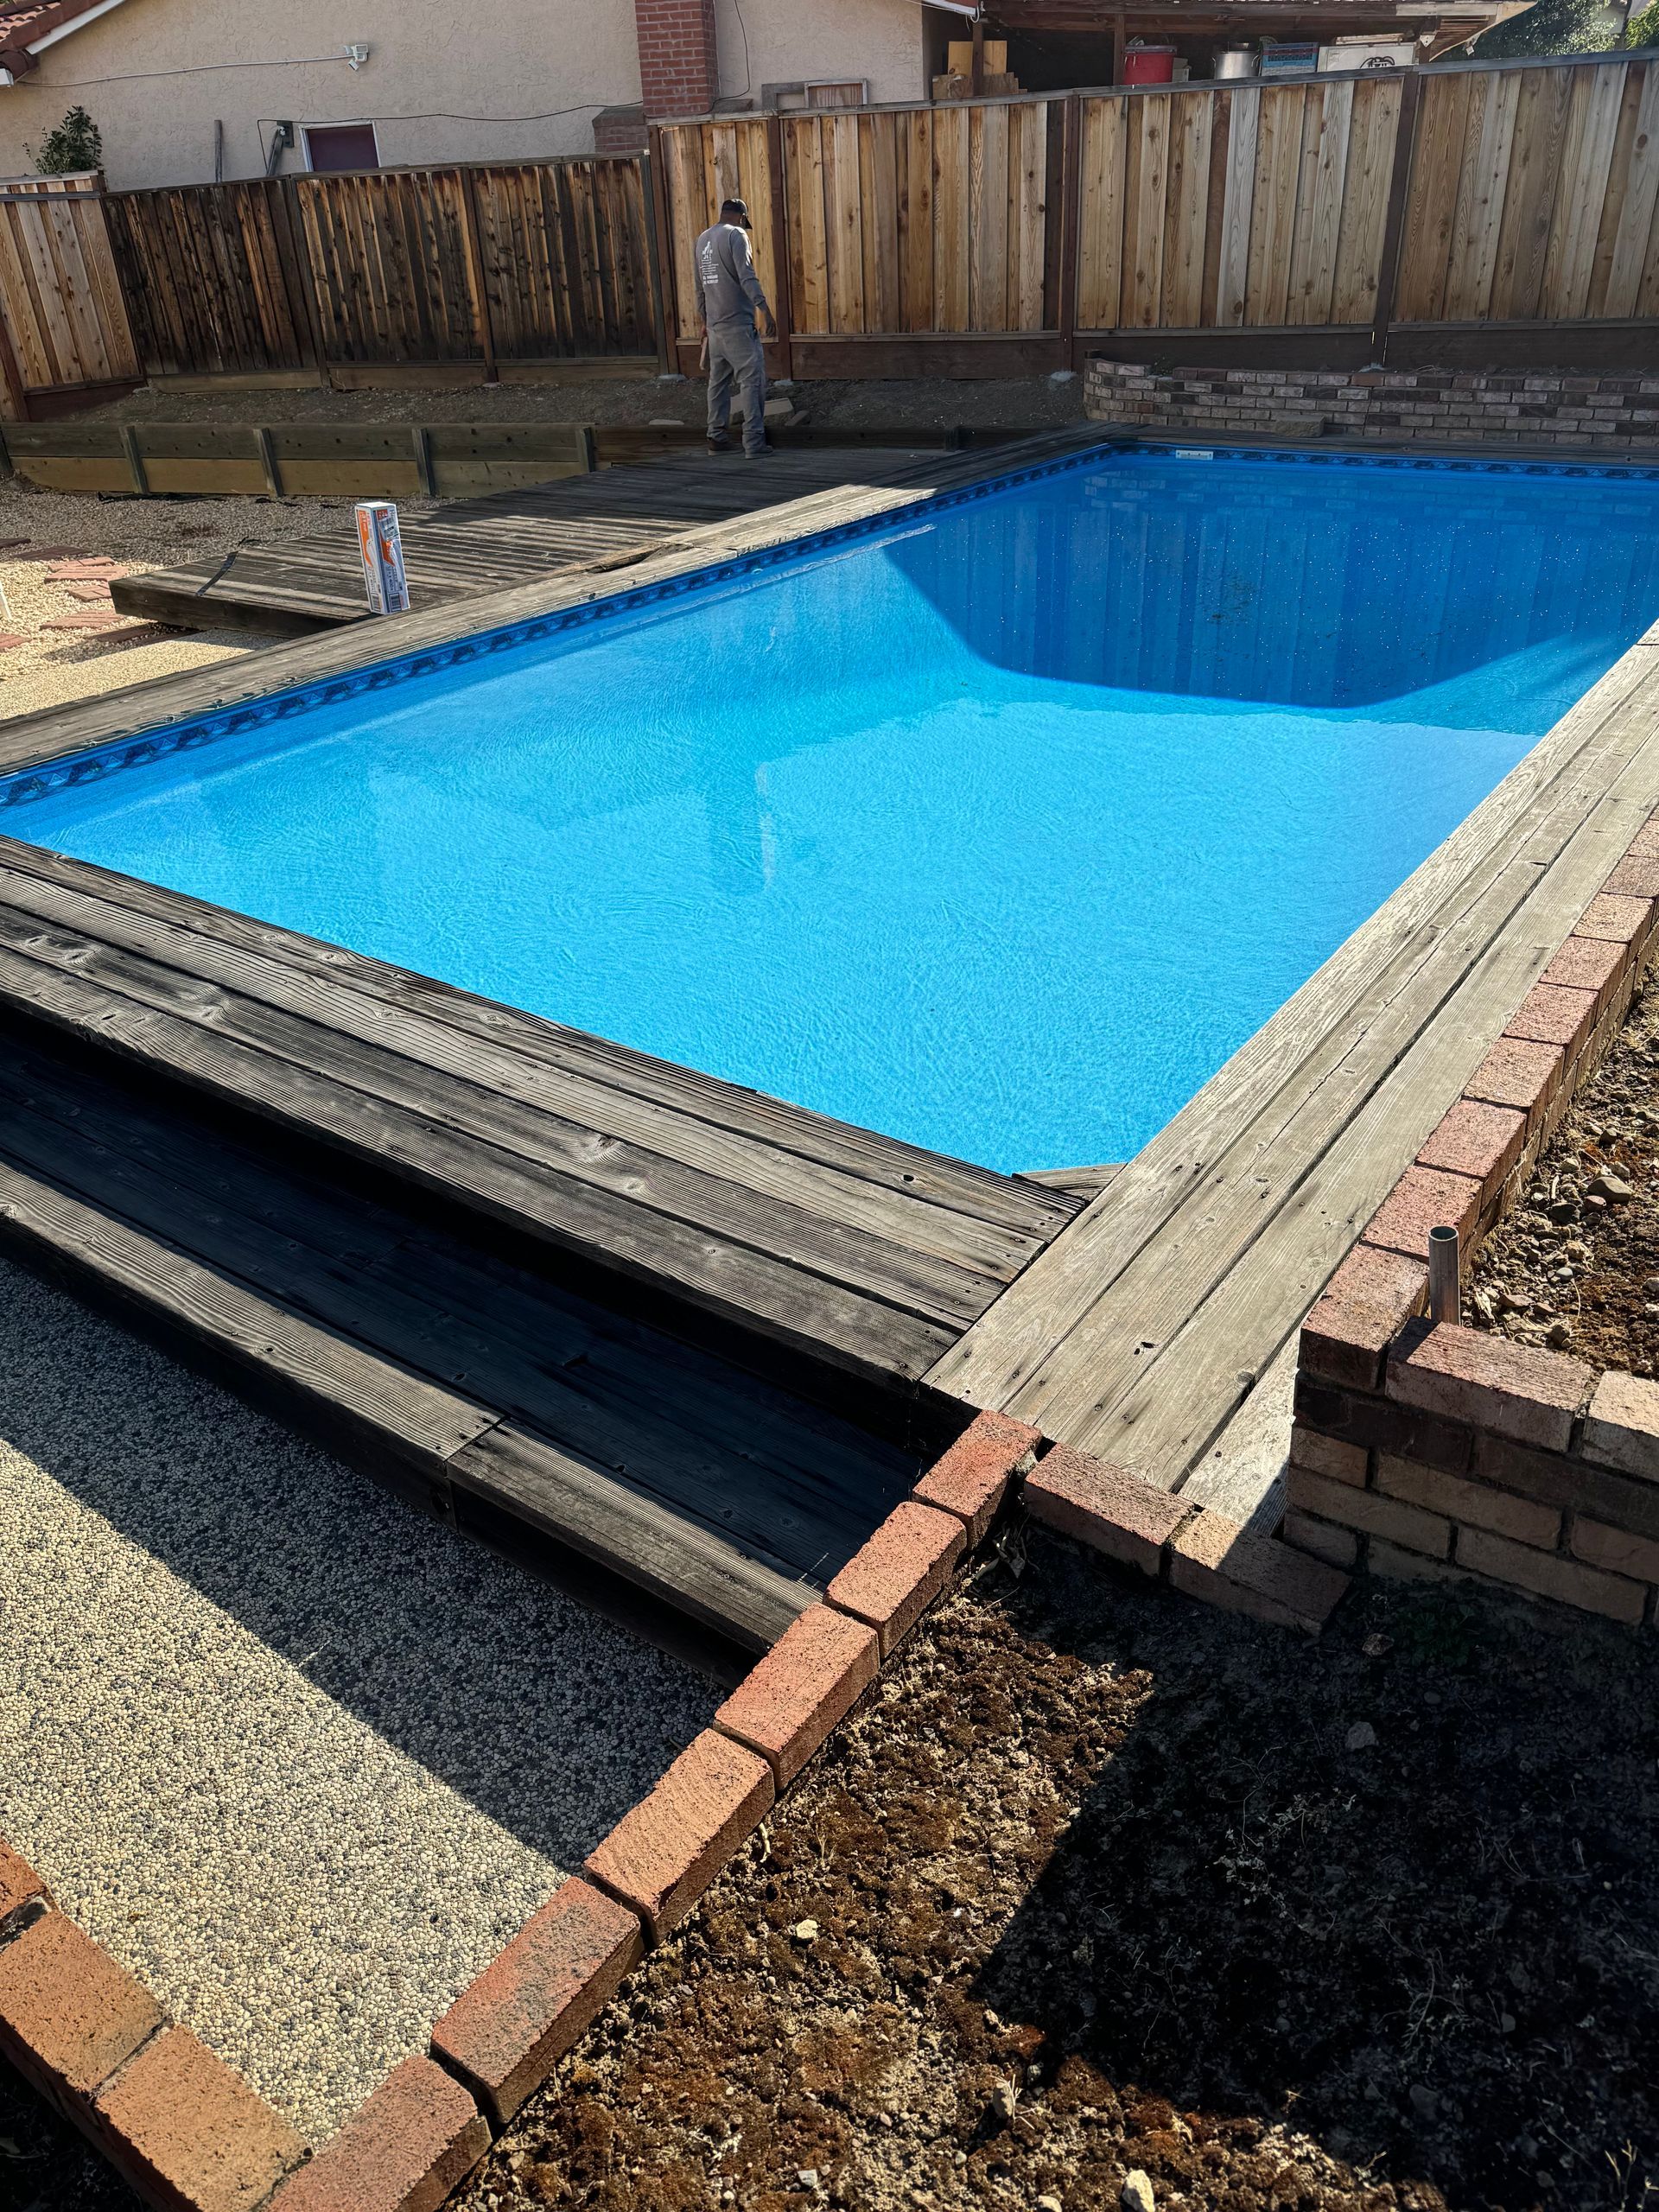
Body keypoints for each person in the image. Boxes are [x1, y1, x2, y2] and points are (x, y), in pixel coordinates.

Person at [695, 196, 778, 458]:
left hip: (715, 326)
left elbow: (700, 288)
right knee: (752, 380)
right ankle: (754, 443)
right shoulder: (737, 235)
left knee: (717, 383)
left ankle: (716, 438)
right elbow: (747, 276)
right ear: (741, 217)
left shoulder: (702, 239)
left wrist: (704, 321)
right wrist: (764, 309)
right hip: (738, 325)